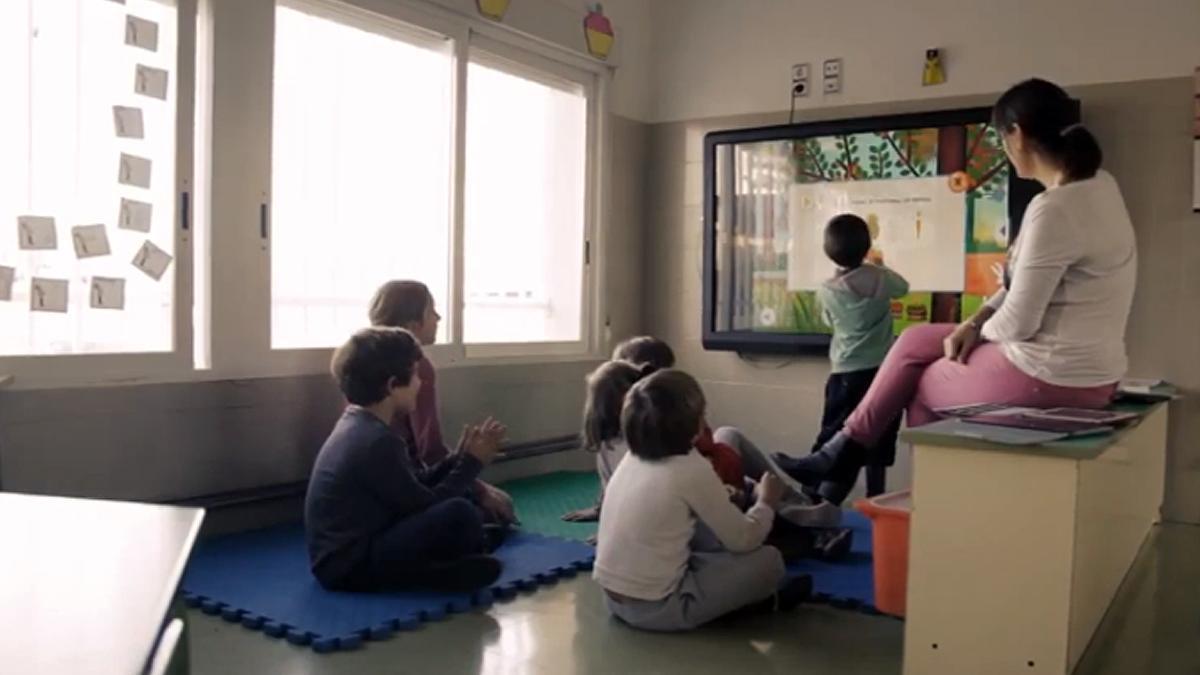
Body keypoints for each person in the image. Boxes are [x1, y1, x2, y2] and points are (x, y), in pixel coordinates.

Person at [776, 78, 1136, 504]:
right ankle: (845, 451)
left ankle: (938, 512)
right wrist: (973, 321)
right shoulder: (1100, 187)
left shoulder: (1053, 210)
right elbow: (1017, 289)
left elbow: (1020, 322)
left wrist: (977, 333)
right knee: (913, 341)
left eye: (1001, 138)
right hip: (1094, 372)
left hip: (1053, 377)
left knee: (919, 383)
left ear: (1016, 133)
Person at [592, 369, 812, 631]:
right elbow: (744, 540)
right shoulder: (691, 467)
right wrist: (766, 501)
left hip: (613, 602)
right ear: (693, 424)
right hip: (660, 608)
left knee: (703, 532)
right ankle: (760, 603)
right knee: (769, 560)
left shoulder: (631, 460)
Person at [305, 327, 505, 592]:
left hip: (348, 554)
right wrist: (472, 464)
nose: (420, 384)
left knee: (465, 510)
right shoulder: (376, 440)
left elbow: (413, 485)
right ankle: (434, 573)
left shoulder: (360, 424)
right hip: (349, 567)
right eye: (414, 376)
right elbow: (424, 505)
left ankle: (456, 556)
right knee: (460, 511)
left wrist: (456, 458)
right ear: (391, 385)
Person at [774, 214, 909, 501]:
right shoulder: (879, 278)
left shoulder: (828, 290)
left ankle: (811, 499)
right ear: (867, 245)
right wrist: (879, 266)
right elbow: (903, 287)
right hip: (882, 374)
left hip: (845, 373)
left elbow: (826, 320)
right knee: (878, 440)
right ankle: (877, 499)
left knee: (834, 433)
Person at [368, 280, 516, 525]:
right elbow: (430, 451)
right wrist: (479, 487)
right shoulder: (416, 367)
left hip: (377, 496)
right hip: (409, 488)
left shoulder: (362, 359)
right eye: (431, 311)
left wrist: (459, 458)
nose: (438, 317)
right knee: (494, 508)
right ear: (412, 323)